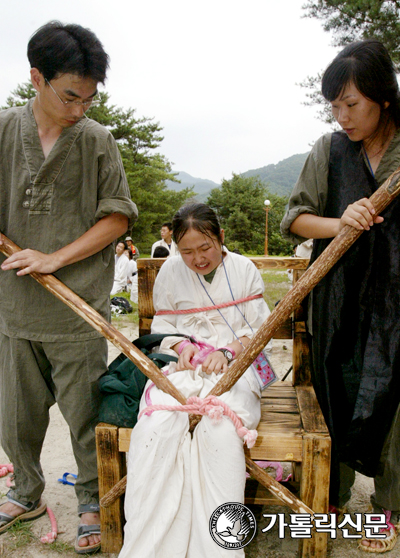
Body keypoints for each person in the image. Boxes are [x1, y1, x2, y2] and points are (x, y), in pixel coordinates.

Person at [0, 21, 137, 554]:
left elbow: (118, 217)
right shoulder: (5, 131)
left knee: (85, 415)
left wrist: (56, 258)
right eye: (70, 95)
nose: (80, 108)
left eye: (90, 97)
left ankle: (89, 499)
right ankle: (26, 490)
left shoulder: (97, 141)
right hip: (14, 306)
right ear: (36, 78)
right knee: (17, 413)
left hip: (77, 305)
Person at [280, 39, 400, 553]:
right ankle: (332, 493)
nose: (342, 116)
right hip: (339, 297)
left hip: (396, 302)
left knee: (394, 407)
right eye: (334, 106)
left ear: (383, 97)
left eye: (351, 104)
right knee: (337, 390)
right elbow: (294, 219)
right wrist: (339, 220)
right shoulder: (329, 151)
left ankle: (388, 507)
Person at [119, 202, 271, 558]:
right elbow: (164, 327)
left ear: (220, 237)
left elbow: (258, 329)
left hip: (237, 366)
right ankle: (150, 547)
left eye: (205, 248)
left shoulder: (244, 269)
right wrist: (181, 345)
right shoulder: (171, 271)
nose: (197, 258)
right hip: (184, 369)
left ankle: (218, 548)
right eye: (187, 251)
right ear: (175, 247)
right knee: (156, 428)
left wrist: (230, 352)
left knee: (218, 431)